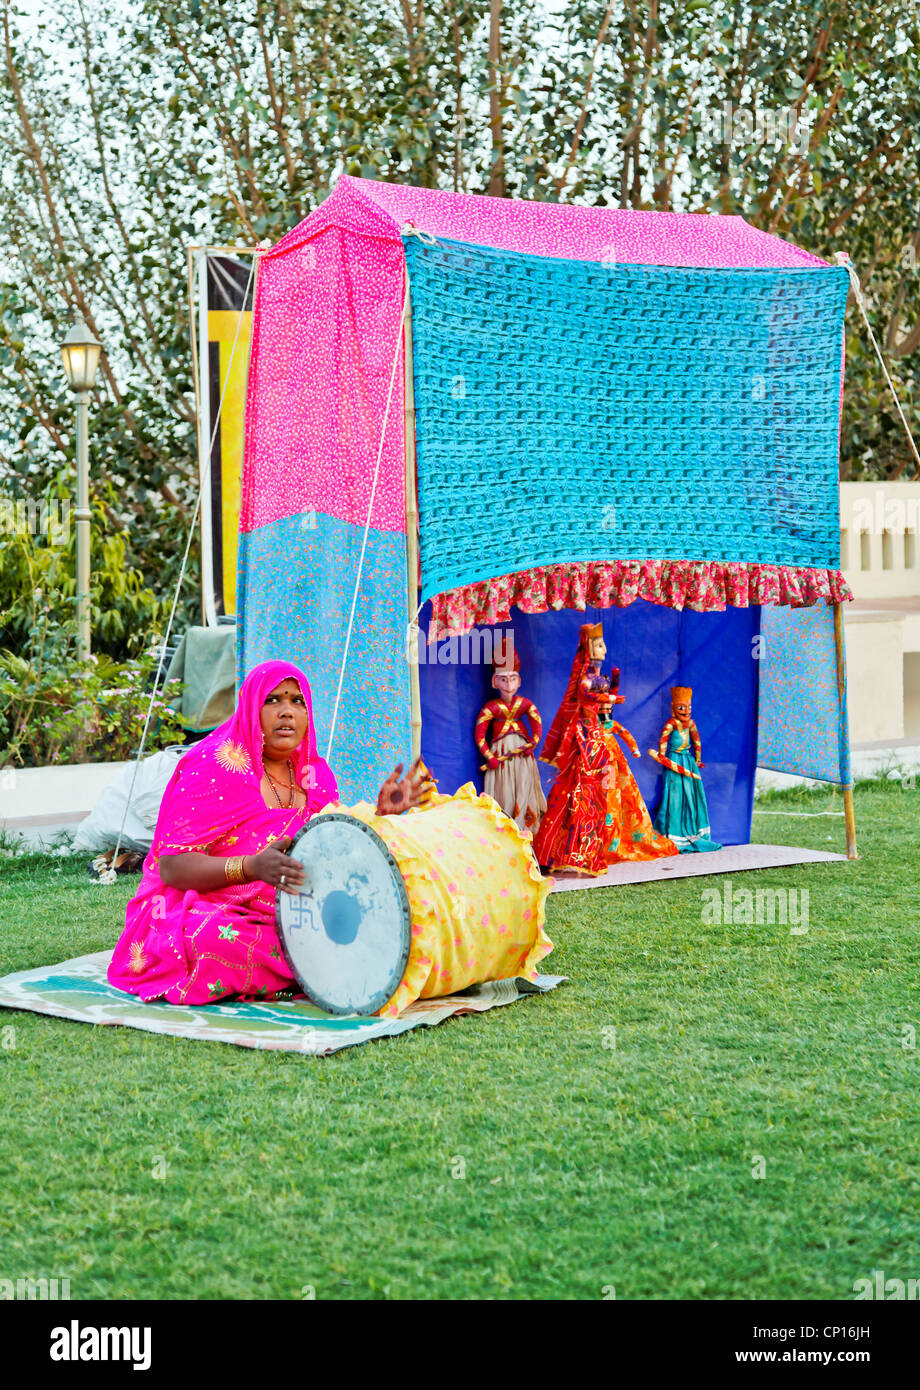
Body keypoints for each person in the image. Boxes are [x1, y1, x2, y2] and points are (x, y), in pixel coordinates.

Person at [107, 660, 424, 1005]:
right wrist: (251, 868)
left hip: (295, 907)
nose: (286, 712)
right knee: (209, 938)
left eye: (297, 701)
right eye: (273, 700)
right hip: (212, 903)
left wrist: (379, 814)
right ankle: (312, 965)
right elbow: (171, 867)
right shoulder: (214, 766)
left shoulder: (315, 776)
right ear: (249, 707)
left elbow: (334, 851)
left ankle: (305, 959)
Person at [532, 622, 678, 875]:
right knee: (578, 795)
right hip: (585, 742)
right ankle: (560, 853)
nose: (604, 649)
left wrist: (614, 688)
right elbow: (587, 696)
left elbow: (604, 696)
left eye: (603, 644)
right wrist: (611, 698)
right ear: (589, 648)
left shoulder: (597, 677)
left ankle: (586, 851)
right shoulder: (584, 677)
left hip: (599, 743)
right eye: (599, 645)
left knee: (599, 797)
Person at [474, 648, 546, 834]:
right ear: (495, 681)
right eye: (503, 679)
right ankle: (504, 829)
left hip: (522, 755)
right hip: (501, 758)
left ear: (519, 681)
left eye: (513, 678)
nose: (508, 684)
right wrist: (489, 756)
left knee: (524, 786)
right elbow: (480, 734)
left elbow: (536, 722)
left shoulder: (525, 704)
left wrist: (533, 743)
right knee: (503, 791)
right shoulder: (491, 708)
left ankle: (527, 827)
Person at [650, 686, 721, 852]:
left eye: (689, 707)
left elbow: (696, 741)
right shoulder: (671, 723)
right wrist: (662, 755)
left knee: (692, 796)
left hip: (688, 763)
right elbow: (663, 739)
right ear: (673, 707)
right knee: (674, 795)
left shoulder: (691, 723)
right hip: (674, 760)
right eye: (682, 707)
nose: (686, 711)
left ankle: (693, 831)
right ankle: (673, 834)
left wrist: (698, 759)